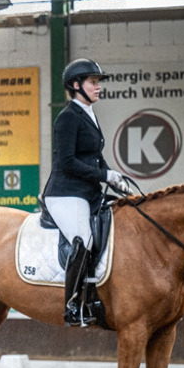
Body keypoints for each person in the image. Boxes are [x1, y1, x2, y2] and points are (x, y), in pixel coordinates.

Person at [43, 58, 133, 327]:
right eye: (93, 82)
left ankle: (97, 293)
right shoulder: (68, 117)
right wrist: (104, 175)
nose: (98, 87)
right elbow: (67, 162)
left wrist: (113, 176)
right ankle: (72, 304)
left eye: (97, 82)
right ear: (76, 85)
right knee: (83, 239)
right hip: (65, 193)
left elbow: (94, 156)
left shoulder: (89, 114)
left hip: (87, 191)